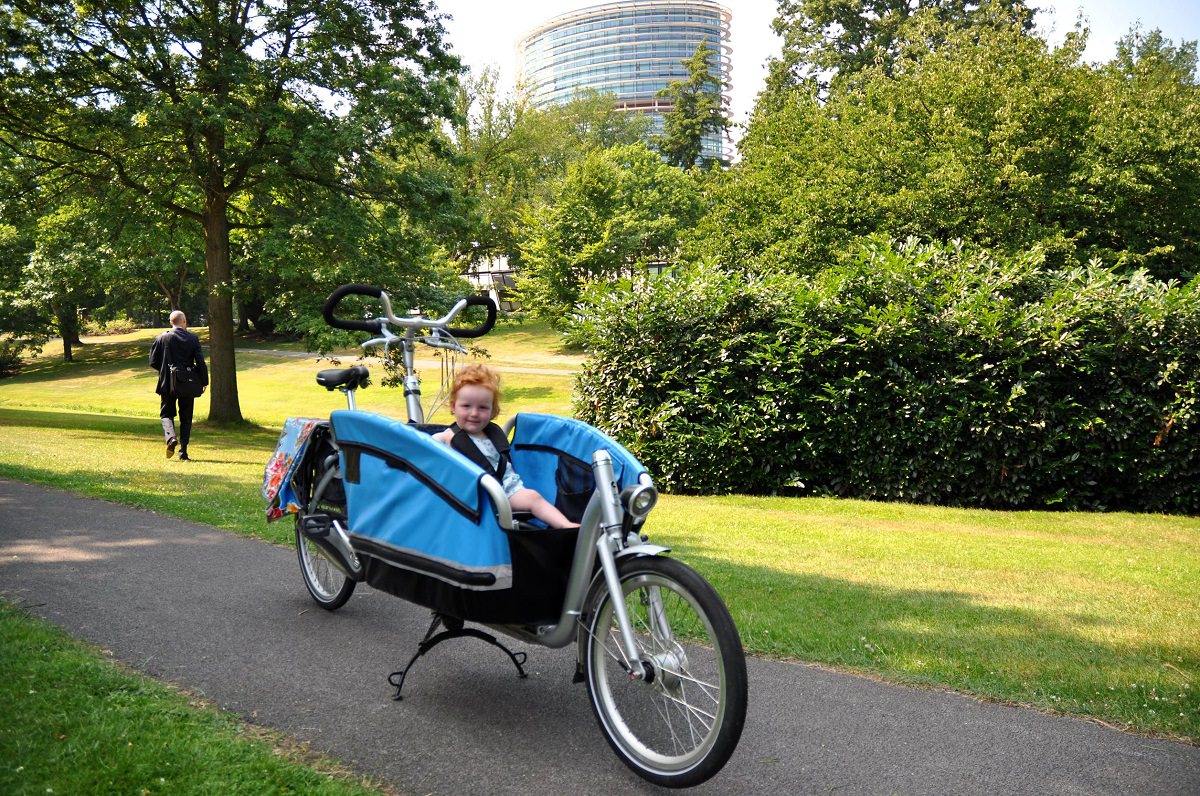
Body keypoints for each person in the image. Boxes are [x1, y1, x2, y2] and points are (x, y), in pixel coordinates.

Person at [433, 364, 578, 529]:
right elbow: (422, 451)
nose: (474, 413)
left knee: (533, 497)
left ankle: (566, 526)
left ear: (493, 410)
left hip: (508, 492)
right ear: (453, 406)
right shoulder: (446, 438)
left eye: (483, 407)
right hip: (474, 500)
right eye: (466, 406)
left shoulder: (493, 434)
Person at [149, 310, 208, 461]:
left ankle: (170, 437)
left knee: (166, 413)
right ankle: (184, 452)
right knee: (186, 417)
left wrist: (165, 372)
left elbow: (153, 361)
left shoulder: (162, 338)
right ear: (184, 321)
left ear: (170, 322)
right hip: (187, 383)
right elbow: (200, 362)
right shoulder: (193, 339)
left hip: (167, 383)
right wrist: (203, 381)